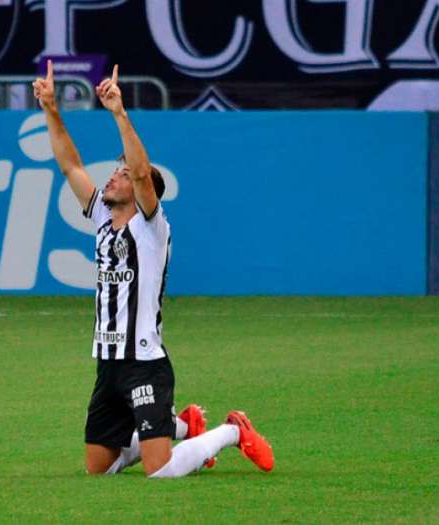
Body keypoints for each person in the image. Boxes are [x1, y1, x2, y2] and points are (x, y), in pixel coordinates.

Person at [32, 61, 274, 478]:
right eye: (115, 172)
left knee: (160, 471)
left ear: (144, 193)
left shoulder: (151, 227)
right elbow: (70, 165)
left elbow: (143, 171)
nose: (113, 178)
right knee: (98, 470)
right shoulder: (102, 221)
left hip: (145, 361)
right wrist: (50, 109)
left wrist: (119, 114)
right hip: (108, 362)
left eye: (122, 175)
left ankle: (230, 431)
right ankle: (179, 425)